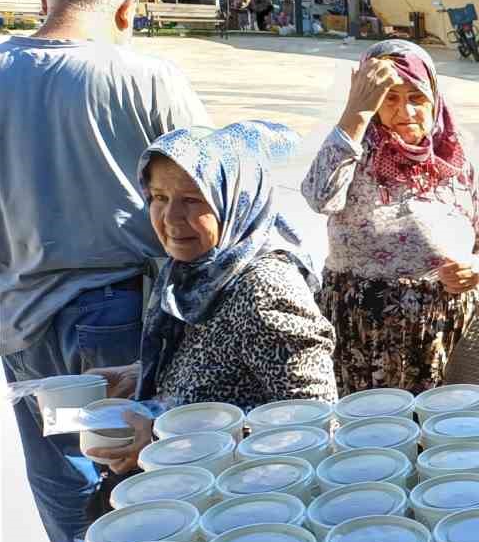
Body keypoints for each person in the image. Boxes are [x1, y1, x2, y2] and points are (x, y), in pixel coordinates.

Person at [0, 0, 210, 542]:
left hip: (22, 316)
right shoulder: (147, 78)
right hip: (120, 310)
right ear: (124, 8)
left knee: (59, 453)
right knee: (130, 453)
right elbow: (210, 182)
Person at [89, 122, 338, 472]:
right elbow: (217, 367)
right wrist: (139, 374)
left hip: (240, 506)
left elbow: (314, 425)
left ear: (236, 199)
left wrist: (164, 440)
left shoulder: (264, 290)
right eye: (159, 197)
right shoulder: (197, 270)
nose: (171, 217)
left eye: (193, 200)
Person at [302, 39, 479, 394]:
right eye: (389, 98)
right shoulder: (351, 154)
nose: (405, 111)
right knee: (370, 435)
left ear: (434, 99)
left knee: (444, 434)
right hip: (362, 337)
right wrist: (355, 113)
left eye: (416, 97)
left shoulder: (459, 163)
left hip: (443, 335)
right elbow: (320, 197)